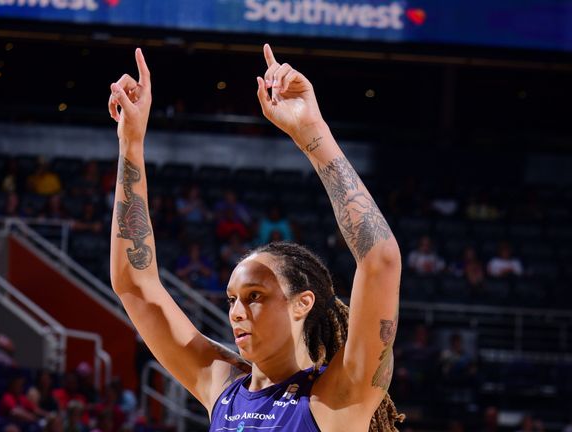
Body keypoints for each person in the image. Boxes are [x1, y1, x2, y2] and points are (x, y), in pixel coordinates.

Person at [108, 45, 402, 431]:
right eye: (232, 299)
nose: (236, 312)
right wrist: (131, 143)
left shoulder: (336, 398)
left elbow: (380, 260)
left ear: (302, 303)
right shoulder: (222, 387)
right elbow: (134, 284)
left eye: (255, 296)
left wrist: (312, 132)